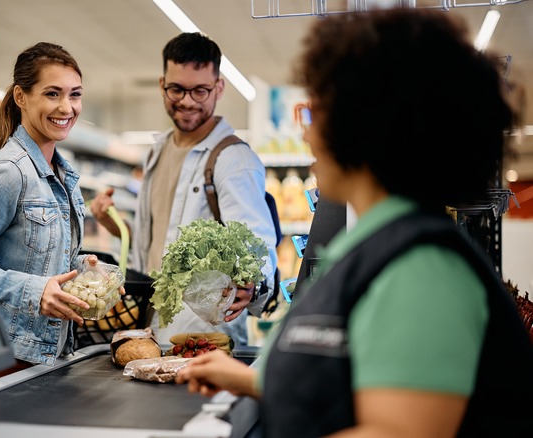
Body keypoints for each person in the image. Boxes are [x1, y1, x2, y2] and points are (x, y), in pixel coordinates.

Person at [176, 8, 533, 437]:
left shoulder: (423, 268)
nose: (306, 132)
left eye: (318, 111)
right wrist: (253, 380)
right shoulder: (374, 244)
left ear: (367, 126)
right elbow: (352, 376)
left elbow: (397, 432)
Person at [90, 32, 279, 346]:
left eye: (200, 91)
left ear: (219, 88)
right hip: (149, 327)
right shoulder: (158, 150)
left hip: (203, 336)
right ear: (162, 84)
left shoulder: (233, 160)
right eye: (177, 89)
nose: (187, 101)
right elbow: (161, 245)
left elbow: (257, 245)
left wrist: (252, 285)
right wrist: (116, 226)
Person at [0, 42, 105, 368]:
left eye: (75, 94)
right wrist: (35, 291)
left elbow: (34, 258)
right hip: (6, 358)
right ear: (21, 96)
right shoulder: (8, 171)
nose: (66, 107)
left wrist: (82, 268)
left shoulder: (62, 174)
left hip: (46, 358)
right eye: (52, 94)